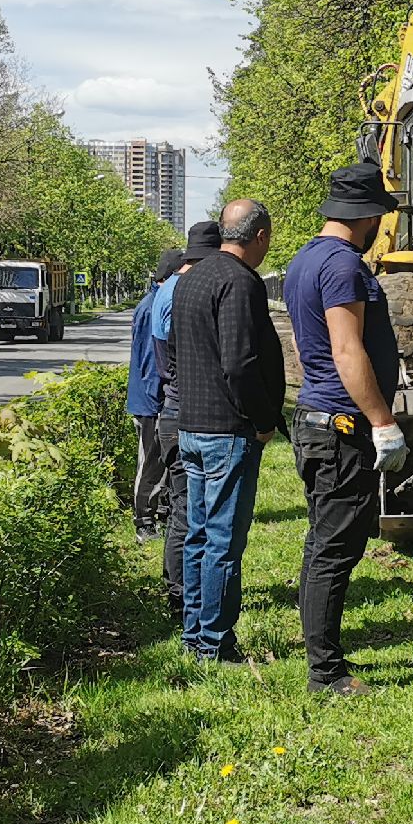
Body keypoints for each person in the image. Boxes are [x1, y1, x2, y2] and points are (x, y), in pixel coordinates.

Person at [283, 160, 409, 696]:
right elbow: (345, 347)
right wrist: (382, 421)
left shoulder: (305, 260)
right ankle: (326, 673)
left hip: (318, 422)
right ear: (368, 216)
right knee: (334, 549)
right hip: (339, 428)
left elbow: (310, 346)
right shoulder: (344, 267)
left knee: (325, 544)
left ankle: (323, 658)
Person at [171, 200, 282, 663]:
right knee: (222, 540)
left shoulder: (190, 277)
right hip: (226, 430)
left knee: (198, 533)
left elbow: (181, 354)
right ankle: (214, 644)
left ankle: (195, 634)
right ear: (258, 237)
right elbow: (238, 363)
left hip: (192, 426)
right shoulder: (238, 282)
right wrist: (260, 421)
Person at [144, 221, 219, 628]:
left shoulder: (168, 291)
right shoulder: (184, 293)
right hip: (183, 412)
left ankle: (179, 591)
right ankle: (181, 597)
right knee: (187, 512)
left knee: (182, 508)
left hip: (172, 411)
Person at [125, 245, 183, 595]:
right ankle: (143, 520)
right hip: (150, 402)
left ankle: (156, 516)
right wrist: (160, 397)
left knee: (159, 462)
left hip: (154, 399)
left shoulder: (155, 301)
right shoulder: (153, 307)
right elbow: (151, 361)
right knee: (149, 465)